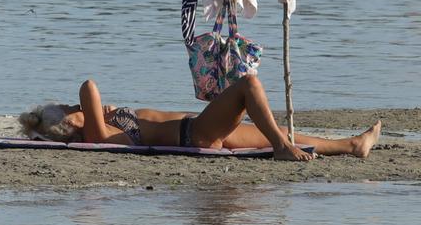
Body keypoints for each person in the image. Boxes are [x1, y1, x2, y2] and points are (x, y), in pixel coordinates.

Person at [19, 76, 380, 162]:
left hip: (200, 130)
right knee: (249, 86)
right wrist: (90, 111)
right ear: (70, 123)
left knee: (278, 130)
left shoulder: (102, 126)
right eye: (68, 108)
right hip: (195, 134)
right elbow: (89, 86)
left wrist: (105, 113)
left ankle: (353, 145)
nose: (74, 105)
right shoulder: (94, 135)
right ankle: (283, 149)